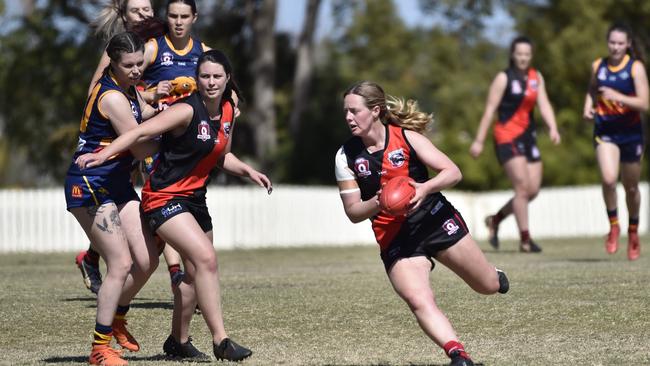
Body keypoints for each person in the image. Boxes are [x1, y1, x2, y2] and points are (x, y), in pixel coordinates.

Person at [76, 49, 270, 362]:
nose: (210, 82)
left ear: (227, 79)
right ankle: (221, 340)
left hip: (195, 198)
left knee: (194, 275)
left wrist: (249, 171)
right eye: (204, 76)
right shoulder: (185, 110)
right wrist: (102, 154)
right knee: (206, 259)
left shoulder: (230, 110)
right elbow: (140, 131)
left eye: (216, 76)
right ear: (197, 79)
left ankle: (178, 342)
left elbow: (221, 154)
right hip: (164, 197)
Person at [335, 81, 509, 366]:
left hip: (435, 219)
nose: (348, 118)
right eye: (346, 112)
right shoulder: (346, 156)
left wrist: (424, 188)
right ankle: (458, 354)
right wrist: (379, 202)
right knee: (418, 300)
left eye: (354, 111)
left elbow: (452, 172)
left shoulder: (406, 138)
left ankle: (493, 274)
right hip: (395, 238)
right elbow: (353, 212)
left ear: (375, 111)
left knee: (487, 286)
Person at [64, 32, 161, 366]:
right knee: (120, 263)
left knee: (147, 260)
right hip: (90, 184)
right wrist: (182, 137)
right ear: (113, 63)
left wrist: (161, 102)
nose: (135, 71)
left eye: (139, 64)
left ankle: (117, 317)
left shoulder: (128, 89)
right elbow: (140, 146)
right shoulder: (113, 98)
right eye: (128, 66)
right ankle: (100, 348)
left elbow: (142, 115)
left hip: (117, 185)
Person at [469, 36, 561, 253]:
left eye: (527, 54)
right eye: (519, 53)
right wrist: (479, 140)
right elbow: (490, 110)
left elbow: (544, 104)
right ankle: (526, 240)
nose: (523, 57)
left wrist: (553, 127)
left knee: (532, 190)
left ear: (531, 55)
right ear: (512, 54)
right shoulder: (503, 78)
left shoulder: (535, 77)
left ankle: (495, 219)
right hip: (506, 136)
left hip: (528, 138)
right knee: (521, 187)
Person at [583, 23, 649, 261]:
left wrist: (618, 96)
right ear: (607, 42)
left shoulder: (635, 68)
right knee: (609, 179)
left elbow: (644, 103)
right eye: (612, 42)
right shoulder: (598, 66)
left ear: (628, 44)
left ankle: (633, 230)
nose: (616, 47)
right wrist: (588, 106)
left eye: (621, 43)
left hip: (631, 134)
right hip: (605, 131)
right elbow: (592, 90)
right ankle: (613, 225)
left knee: (630, 187)